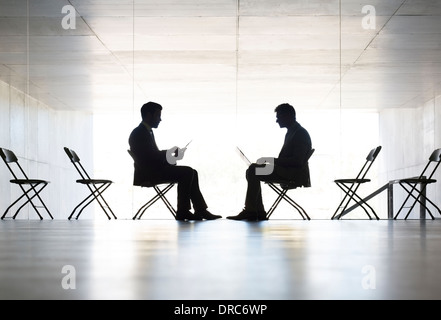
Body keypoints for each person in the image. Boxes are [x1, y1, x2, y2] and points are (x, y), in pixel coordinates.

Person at [128, 101, 221, 221]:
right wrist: (169, 153)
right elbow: (149, 156)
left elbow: (151, 157)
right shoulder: (140, 133)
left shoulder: (144, 131)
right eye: (158, 115)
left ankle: (199, 210)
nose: (160, 119)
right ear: (148, 115)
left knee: (192, 172)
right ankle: (185, 211)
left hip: (152, 170)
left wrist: (172, 157)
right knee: (188, 172)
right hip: (149, 174)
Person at [228, 103, 312, 221]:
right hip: (288, 171)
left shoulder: (299, 134)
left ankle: (253, 211)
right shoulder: (295, 132)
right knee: (253, 169)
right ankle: (256, 211)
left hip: (292, 174)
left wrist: (272, 161)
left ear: (288, 116)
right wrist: (272, 162)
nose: (277, 121)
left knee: (253, 170)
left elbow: (297, 161)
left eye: (279, 117)